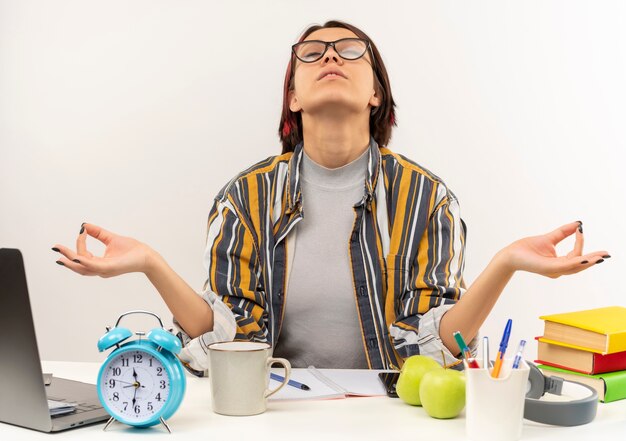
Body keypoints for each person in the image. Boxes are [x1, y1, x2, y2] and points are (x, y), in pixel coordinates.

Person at [52, 20, 609, 372]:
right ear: (292, 96)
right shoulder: (243, 197)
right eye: (312, 53)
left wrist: (505, 264)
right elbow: (227, 340)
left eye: (349, 50)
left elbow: (443, 343)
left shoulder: (427, 198)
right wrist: (150, 263)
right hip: (275, 417)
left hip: (394, 416)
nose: (331, 57)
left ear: (375, 93)